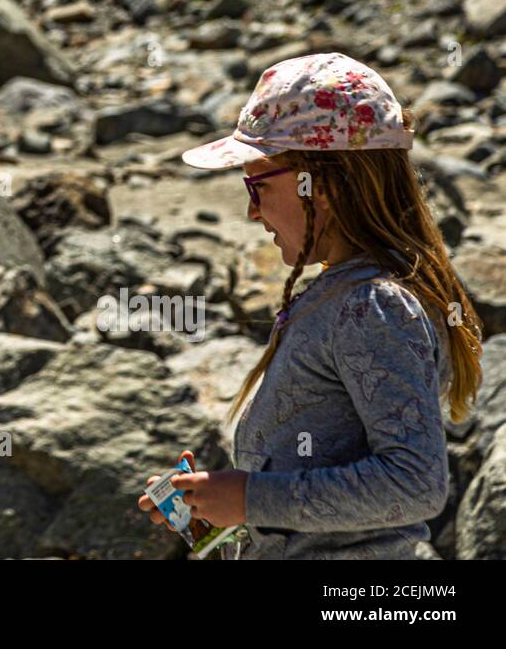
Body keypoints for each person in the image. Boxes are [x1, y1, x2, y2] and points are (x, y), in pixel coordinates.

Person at [136, 52, 483, 558]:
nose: (252, 212)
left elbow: (415, 484)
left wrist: (250, 497)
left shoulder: (374, 307)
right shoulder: (344, 295)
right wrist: (219, 510)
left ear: (321, 186)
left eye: (256, 186)